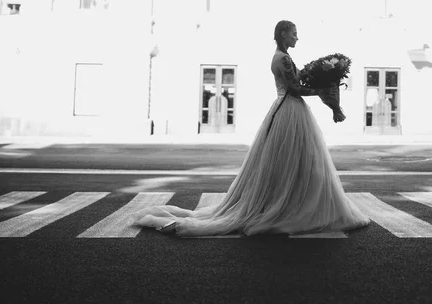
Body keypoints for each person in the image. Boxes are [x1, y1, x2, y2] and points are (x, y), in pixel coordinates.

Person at [131, 20, 370, 237]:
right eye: (294, 34)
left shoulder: (280, 56)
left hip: (286, 109)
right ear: (284, 34)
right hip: (290, 110)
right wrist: (320, 91)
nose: (297, 38)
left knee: (293, 162)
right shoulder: (283, 59)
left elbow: (295, 83)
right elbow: (295, 89)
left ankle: (291, 202)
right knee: (301, 161)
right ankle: (293, 205)